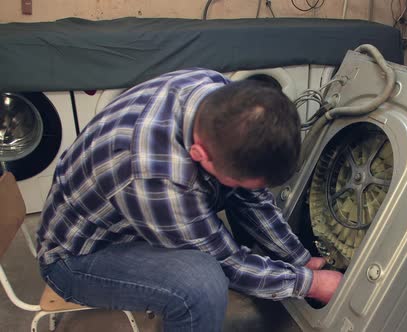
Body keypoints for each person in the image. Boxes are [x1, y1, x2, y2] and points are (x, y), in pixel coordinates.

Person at [36, 68, 343, 332]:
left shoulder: (219, 95)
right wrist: (311, 284)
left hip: (129, 217)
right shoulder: (157, 174)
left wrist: (300, 259)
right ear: (199, 155)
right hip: (78, 257)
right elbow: (227, 264)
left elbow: (253, 197)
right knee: (202, 282)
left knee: (234, 191)